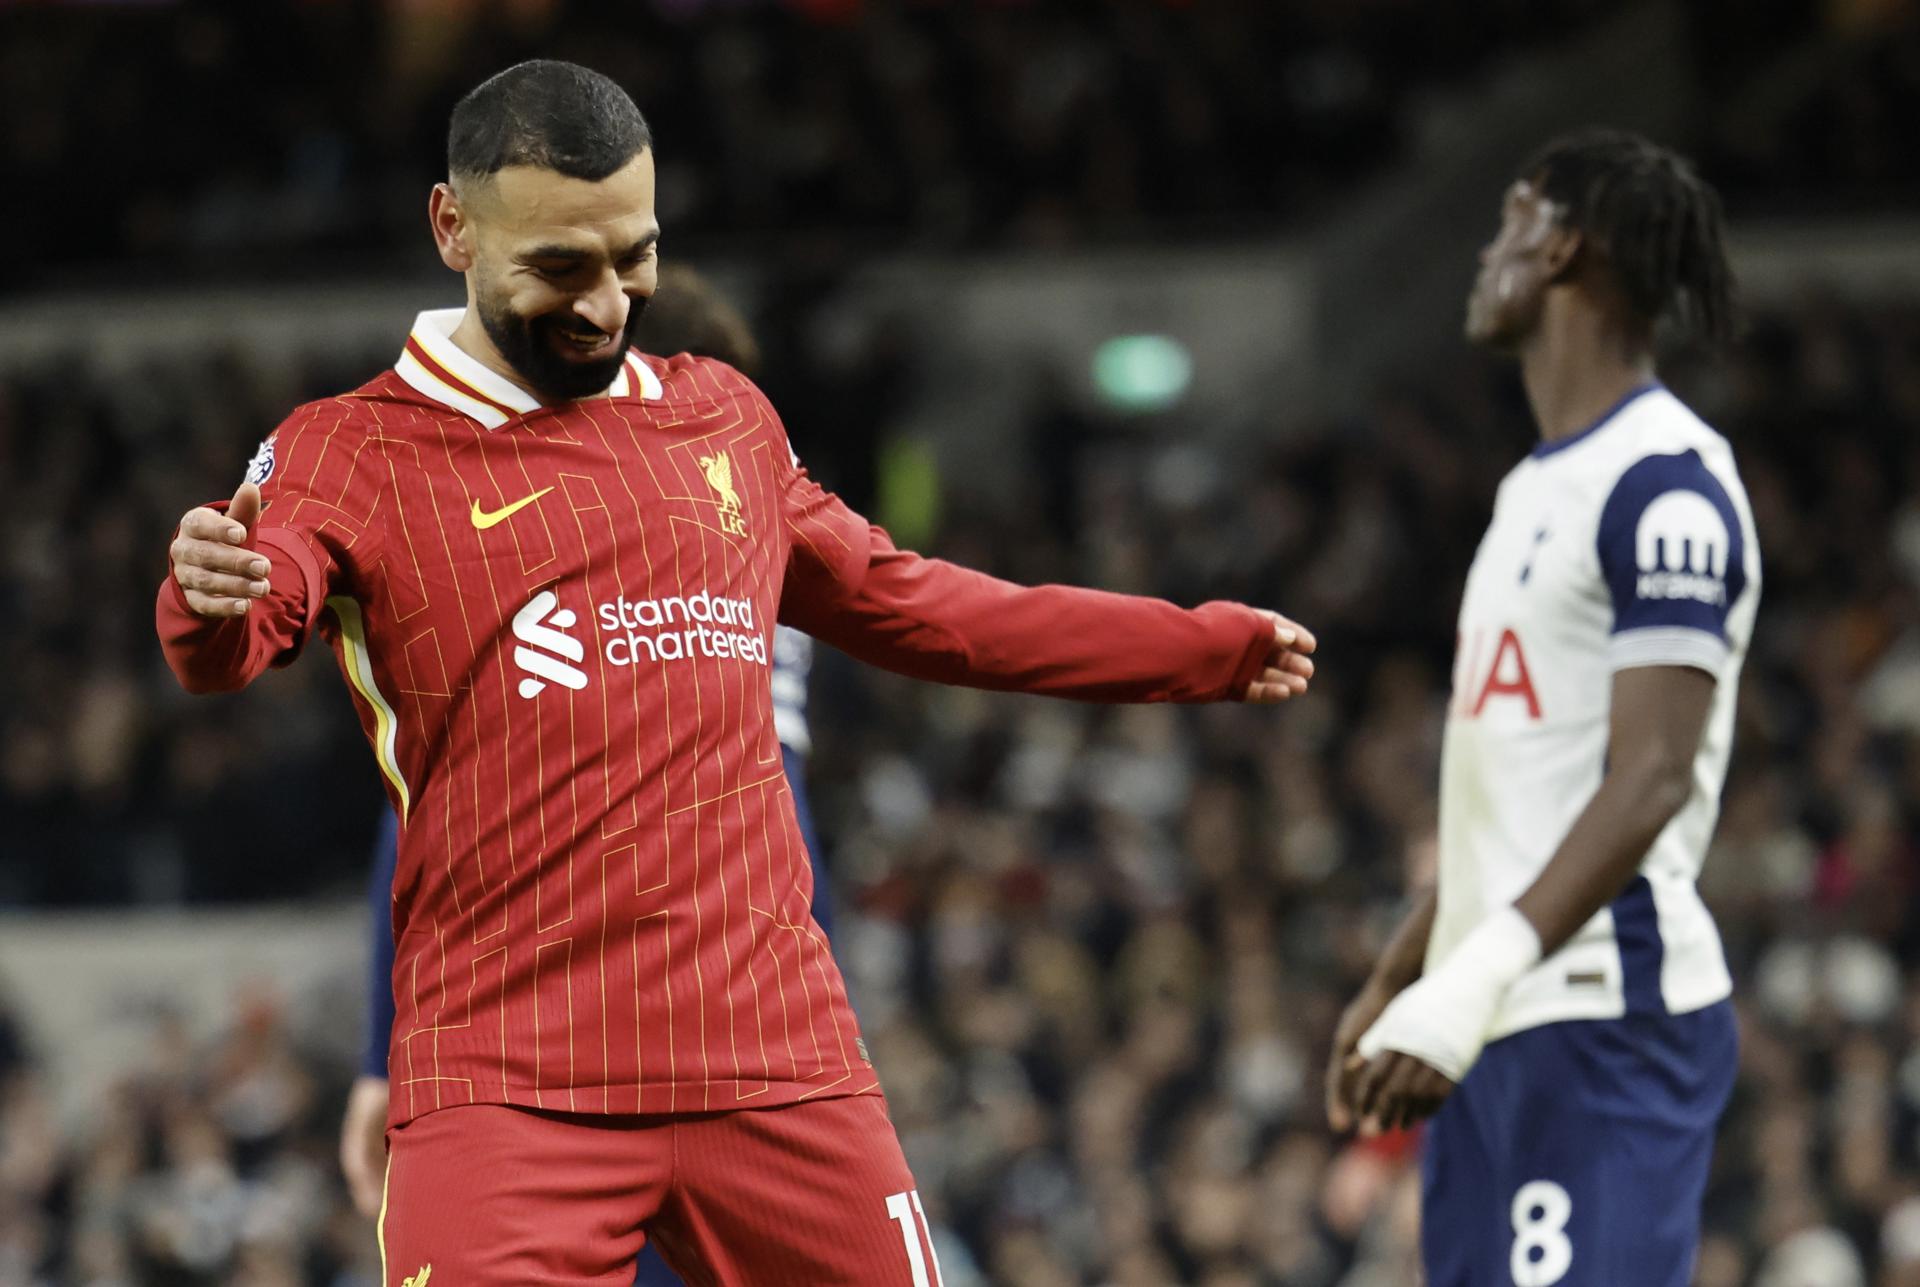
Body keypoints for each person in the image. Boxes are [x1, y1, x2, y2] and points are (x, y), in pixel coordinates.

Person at [158, 60, 1315, 1285]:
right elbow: (233, 631)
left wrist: (1199, 649)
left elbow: (923, 608)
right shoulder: (349, 450)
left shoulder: (723, 422)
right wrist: (205, 589)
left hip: (774, 1061)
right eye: (560, 266)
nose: (607, 305)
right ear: (453, 227)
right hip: (509, 1081)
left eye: (634, 257)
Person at [337, 268, 832, 1287]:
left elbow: (438, 818)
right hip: (749, 959)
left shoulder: (557, 526)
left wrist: (381, 1059)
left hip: (585, 996)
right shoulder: (754, 511)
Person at [1325, 130, 1756, 1286]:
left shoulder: (1668, 483)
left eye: (1510, 219)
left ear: (1564, 246)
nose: (1486, 253)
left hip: (1606, 1021)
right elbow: (1506, 794)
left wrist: (1465, 980)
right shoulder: (1530, 491)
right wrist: (1405, 970)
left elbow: (1652, 776)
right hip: (1493, 1025)